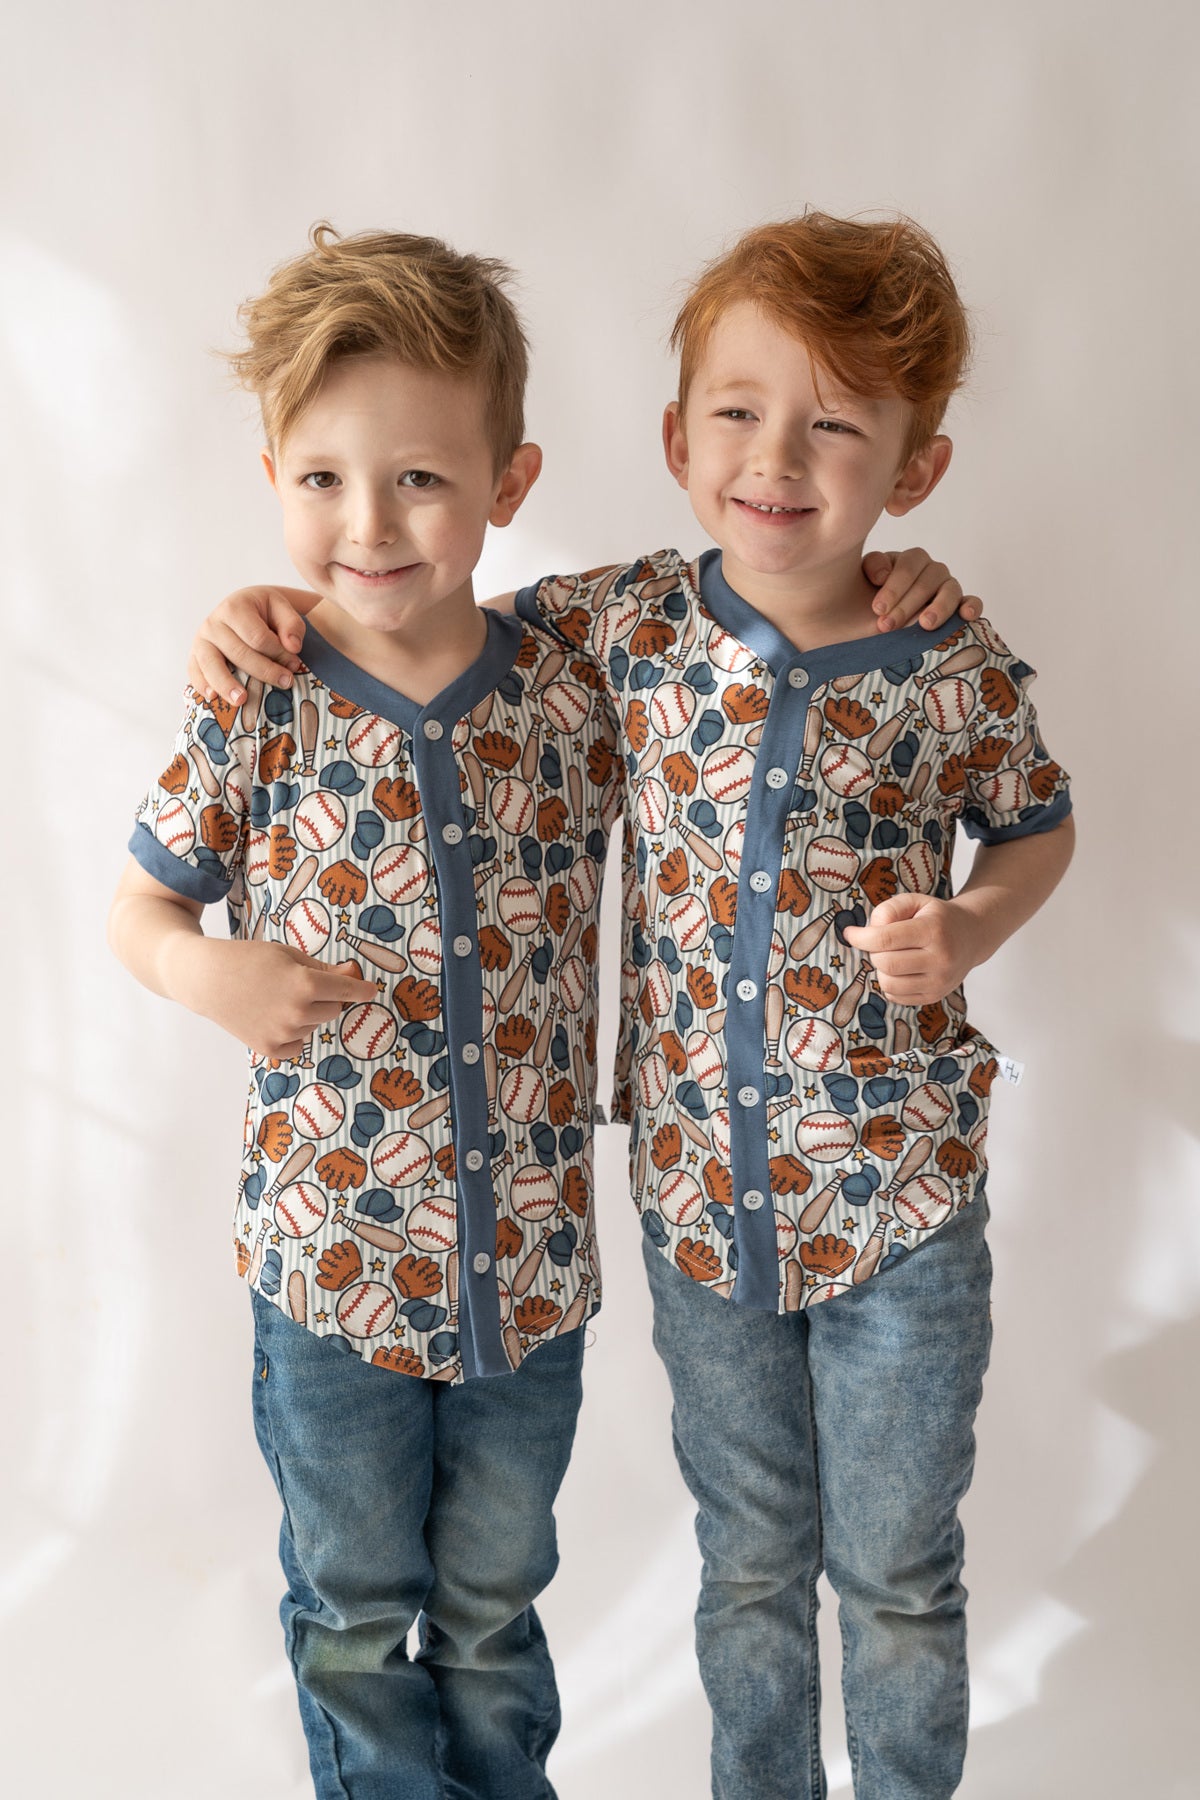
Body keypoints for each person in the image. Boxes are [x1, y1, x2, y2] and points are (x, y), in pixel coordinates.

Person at [185, 212, 1067, 1798]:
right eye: (737, 413)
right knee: (749, 1563)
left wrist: (975, 923)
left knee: (898, 1576)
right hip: (703, 1203)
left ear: (914, 469)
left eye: (836, 429)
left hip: (901, 1185)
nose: (775, 459)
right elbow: (415, 607)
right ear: (676, 439)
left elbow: (1035, 825)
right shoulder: (618, 630)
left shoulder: (944, 655)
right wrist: (268, 613)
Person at [108, 225, 624, 1800]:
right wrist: (207, 971)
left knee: (492, 1606)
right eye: (324, 478)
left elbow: (751, 609)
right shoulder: (253, 699)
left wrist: (898, 576)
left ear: (508, 483)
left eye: (419, 478)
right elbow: (138, 911)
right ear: (274, 476)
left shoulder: (570, 690)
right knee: (352, 1611)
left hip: (527, 1276)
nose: (369, 523)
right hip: (329, 1268)